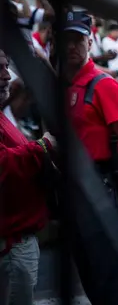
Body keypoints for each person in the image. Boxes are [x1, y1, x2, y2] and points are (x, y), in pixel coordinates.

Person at [61, 10, 118, 304]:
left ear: (90, 41)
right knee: (89, 272)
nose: (71, 46)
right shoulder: (67, 86)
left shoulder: (103, 84)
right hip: (72, 188)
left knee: (109, 274)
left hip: (99, 185)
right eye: (65, 39)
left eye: (77, 39)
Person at [0, 49, 56, 305]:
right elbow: (3, 165)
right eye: (0, 68)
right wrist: (42, 146)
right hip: (10, 241)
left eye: (6, 67)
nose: (6, 76)